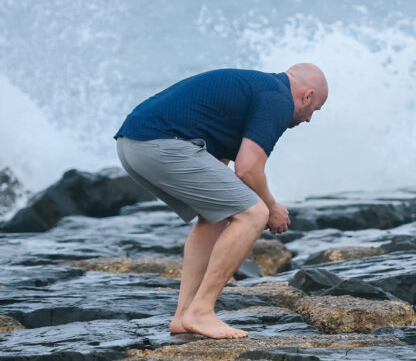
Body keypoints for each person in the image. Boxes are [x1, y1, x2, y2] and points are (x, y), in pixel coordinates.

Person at [113, 63, 328, 339]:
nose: (310, 119)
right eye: (314, 110)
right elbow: (248, 168)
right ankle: (202, 311)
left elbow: (222, 168)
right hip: (160, 143)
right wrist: (272, 208)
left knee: (217, 214)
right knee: (253, 214)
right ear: (307, 95)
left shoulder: (256, 88)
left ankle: (184, 315)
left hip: (132, 144)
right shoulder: (278, 98)